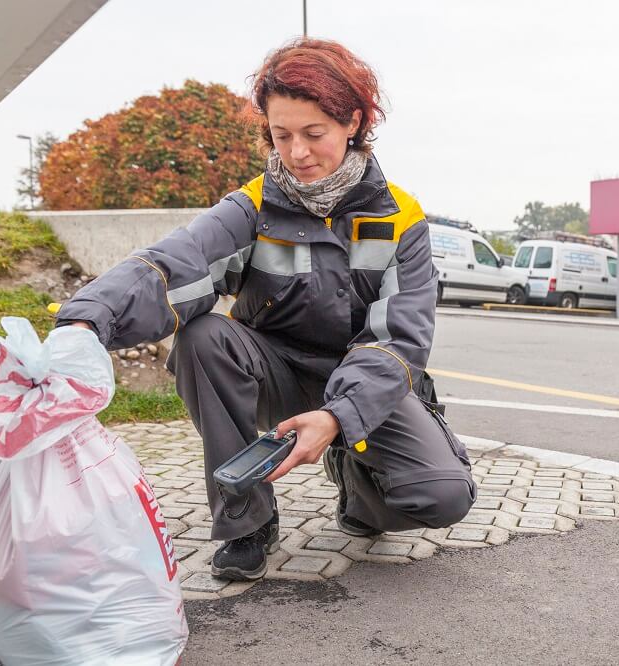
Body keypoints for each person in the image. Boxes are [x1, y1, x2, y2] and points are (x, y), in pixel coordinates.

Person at [57, 38, 476, 581]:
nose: (297, 153)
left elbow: (398, 339)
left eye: (313, 134)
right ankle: (246, 520)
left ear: (352, 121)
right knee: (203, 336)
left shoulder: (401, 219)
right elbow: (175, 263)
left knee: (442, 495)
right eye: (282, 135)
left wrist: (338, 417)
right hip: (273, 374)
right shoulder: (254, 205)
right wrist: (86, 321)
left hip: (363, 381)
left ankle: (356, 483)